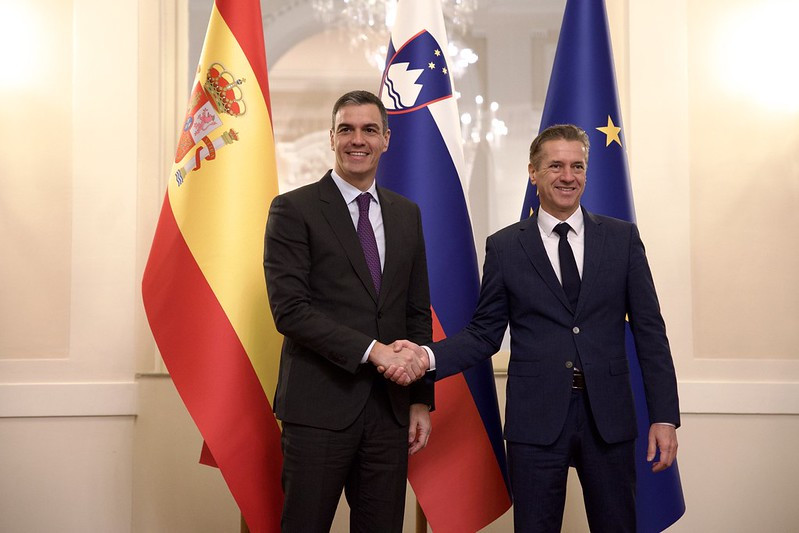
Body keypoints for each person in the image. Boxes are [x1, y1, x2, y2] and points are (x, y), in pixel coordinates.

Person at [389, 124, 679, 532]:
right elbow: (485, 333)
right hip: (535, 420)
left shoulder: (622, 238)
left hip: (609, 416)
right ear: (533, 172)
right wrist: (427, 355)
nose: (568, 176)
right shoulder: (505, 246)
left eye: (577, 166)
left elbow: (650, 332)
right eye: (556, 165)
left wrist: (664, 417)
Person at [263, 90, 433, 533]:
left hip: (389, 412)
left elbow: (416, 312)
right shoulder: (292, 210)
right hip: (318, 409)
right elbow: (290, 311)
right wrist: (373, 351)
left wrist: (420, 400)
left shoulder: (406, 214)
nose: (358, 140)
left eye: (369, 130)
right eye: (347, 130)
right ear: (332, 137)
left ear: (386, 140)